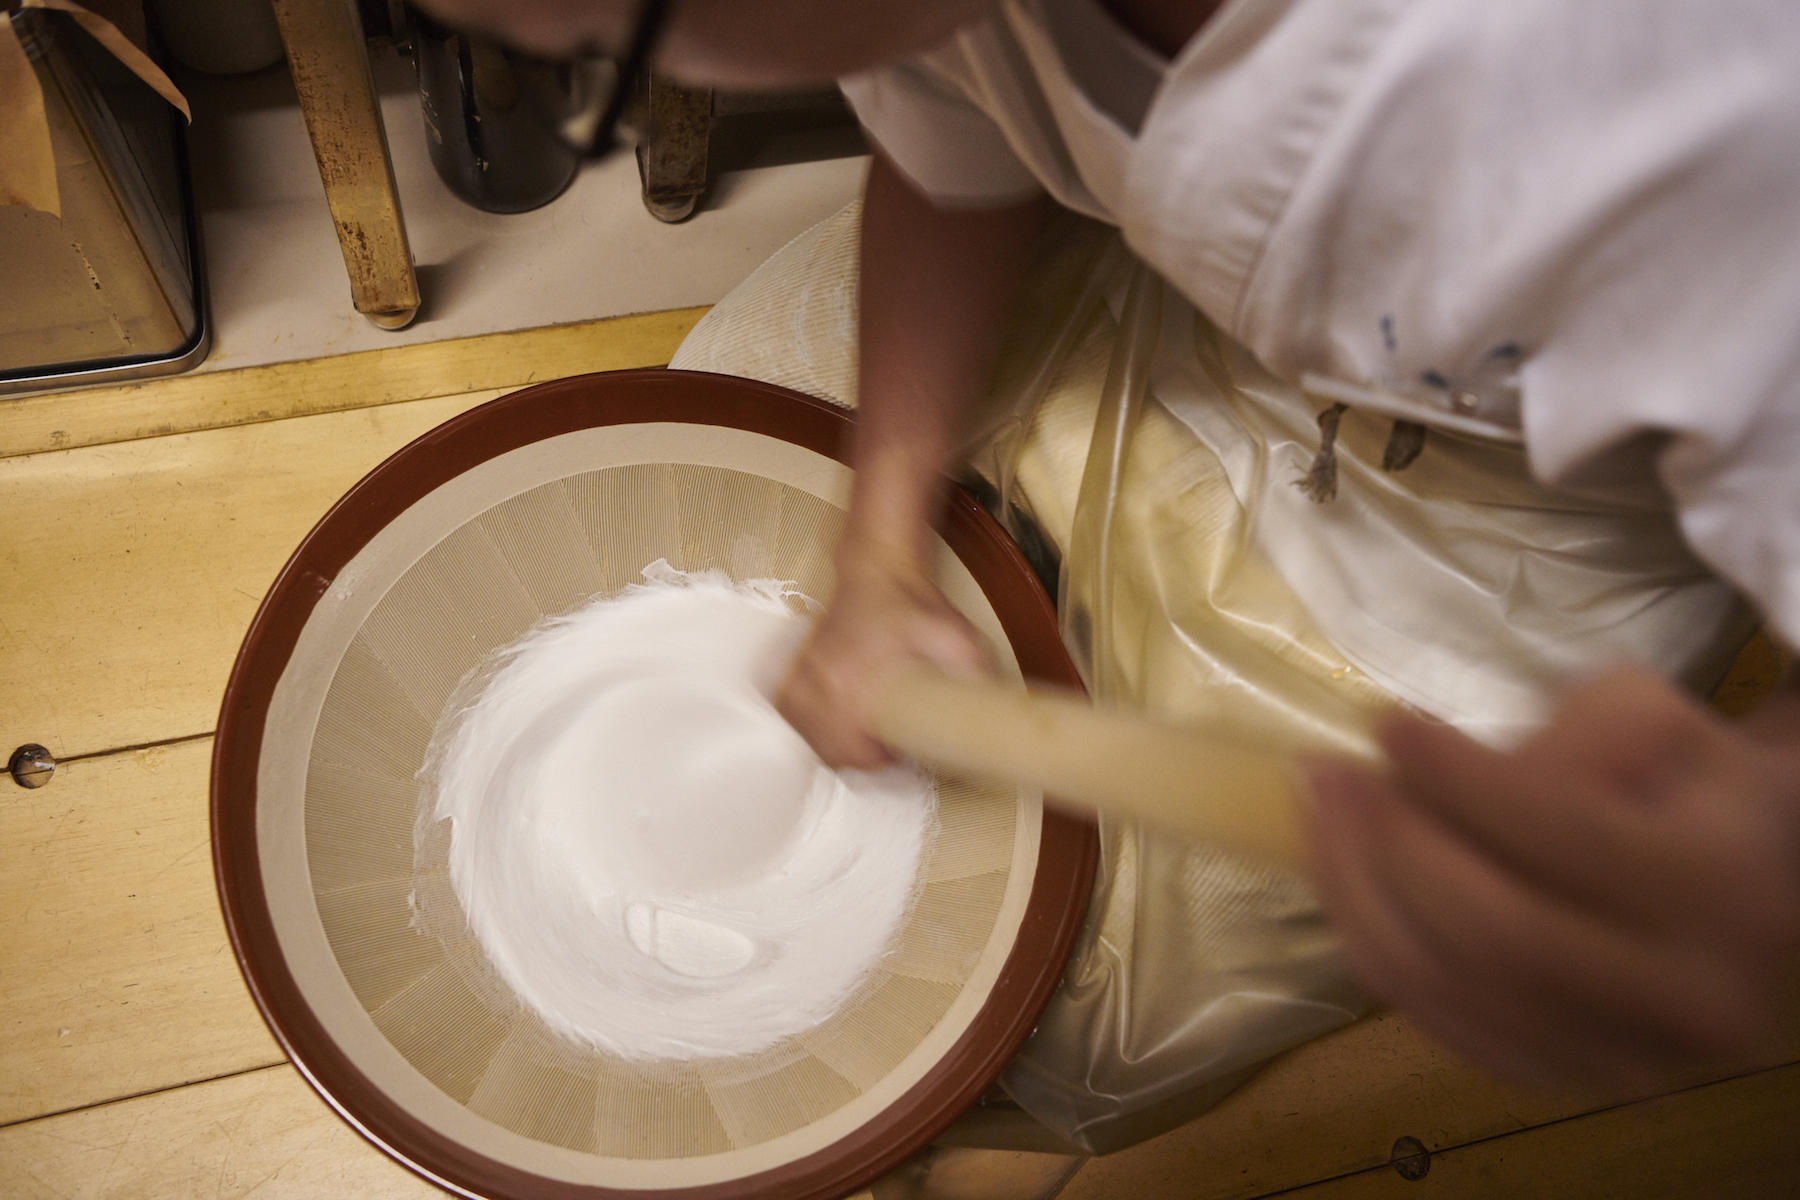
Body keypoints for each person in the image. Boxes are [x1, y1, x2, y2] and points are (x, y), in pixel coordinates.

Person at [422, 0, 1800, 1108]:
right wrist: (884, 533)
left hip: (1487, 551)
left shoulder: (1691, 110)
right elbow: (952, 147)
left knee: (1085, 1019)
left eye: (606, 53)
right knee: (736, 386)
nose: (583, 72)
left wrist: (1757, 853)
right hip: (1209, 315)